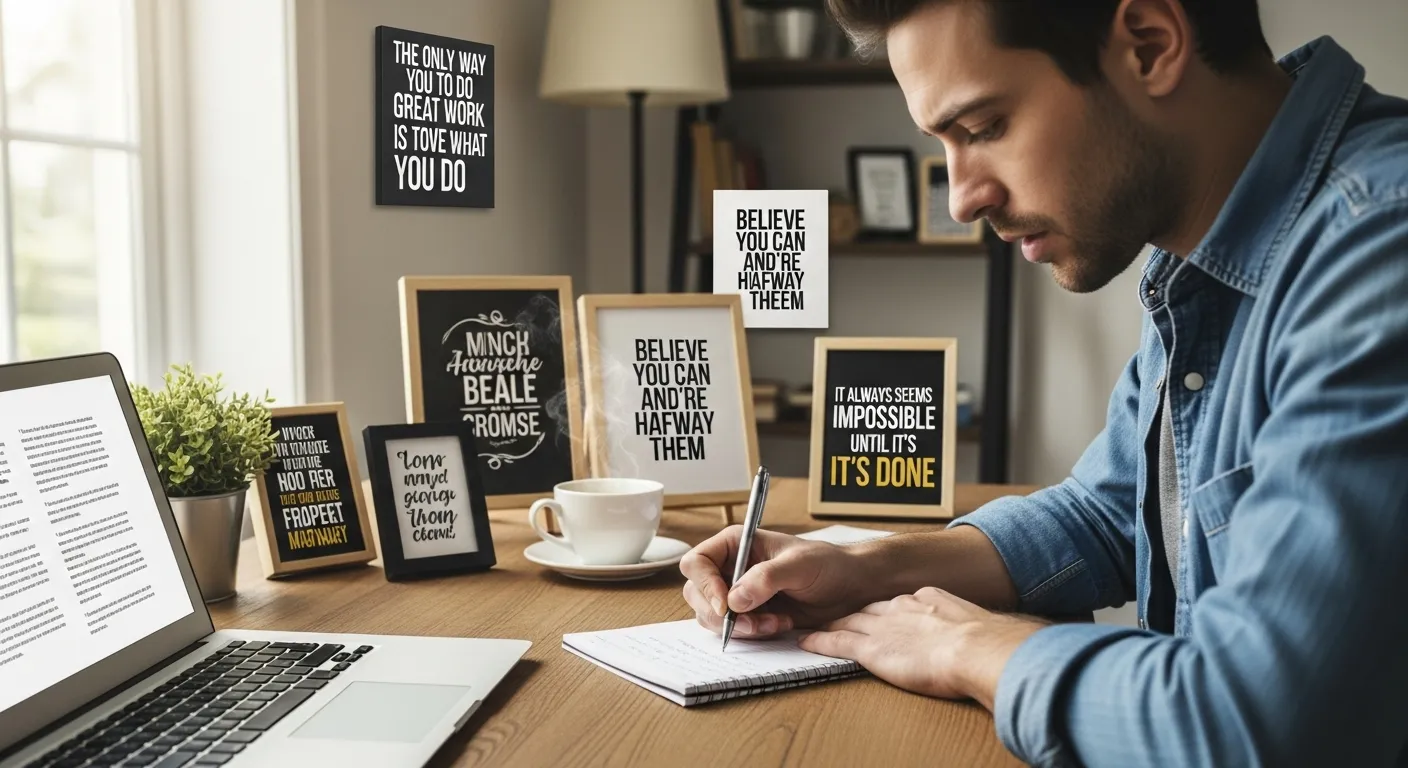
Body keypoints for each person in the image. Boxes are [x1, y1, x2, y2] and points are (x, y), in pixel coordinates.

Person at [679, 0, 1408, 765]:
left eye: (984, 127)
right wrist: (867, 567)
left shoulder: (1378, 253)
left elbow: (1251, 722)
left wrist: (980, 650)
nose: (962, 198)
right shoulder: (1201, 247)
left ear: (1150, 45)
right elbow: (1107, 514)